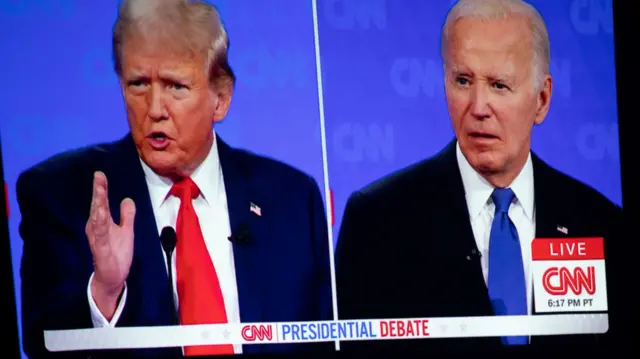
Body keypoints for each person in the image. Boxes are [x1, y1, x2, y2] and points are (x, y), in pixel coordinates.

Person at [17, 0, 333, 357]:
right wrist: (104, 292)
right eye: (138, 84)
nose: (154, 109)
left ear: (221, 98)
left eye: (175, 86)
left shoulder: (291, 200)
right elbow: (44, 344)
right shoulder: (64, 195)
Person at [335, 0, 622, 353]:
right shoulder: (378, 221)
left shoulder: (600, 222)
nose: (478, 107)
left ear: (542, 99)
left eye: (499, 85)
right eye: (463, 80)